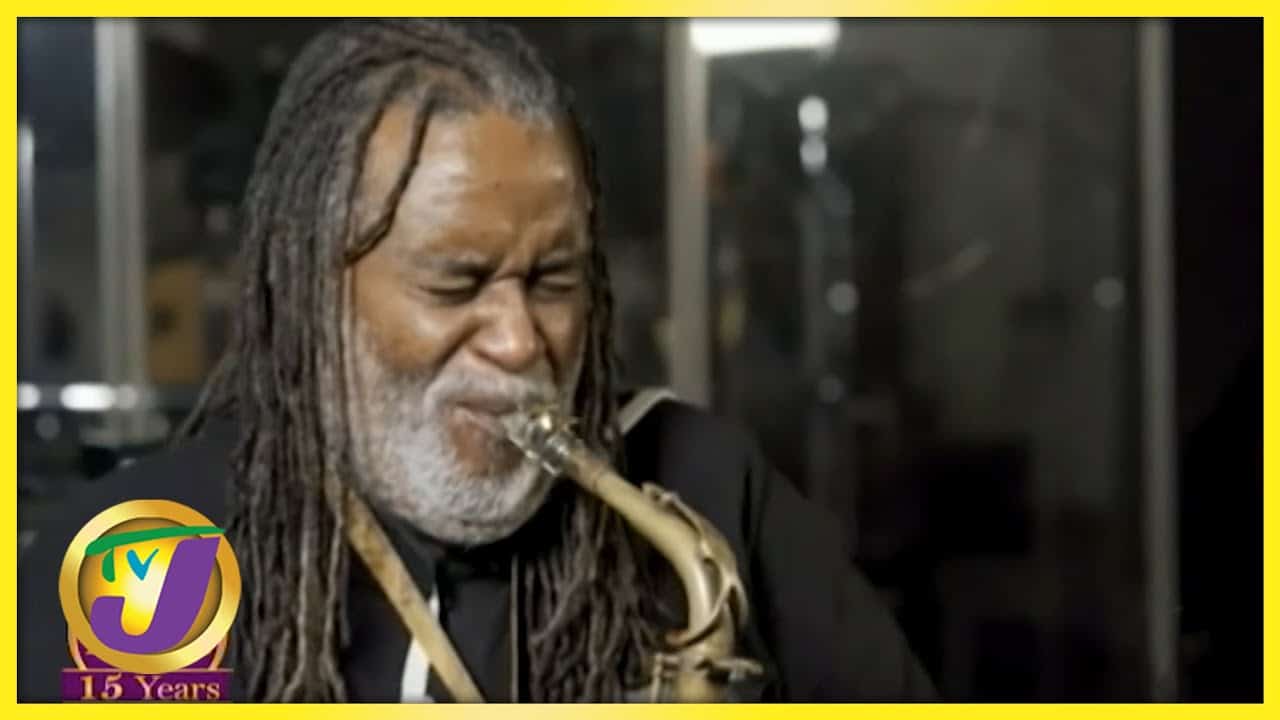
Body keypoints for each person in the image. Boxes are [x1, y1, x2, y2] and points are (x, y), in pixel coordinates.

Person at [18, 19, 935, 703]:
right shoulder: (146, 553)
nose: (519, 341)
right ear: (314, 294)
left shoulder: (706, 485)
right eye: (456, 284)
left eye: (553, 280)